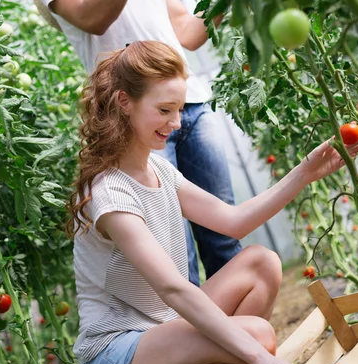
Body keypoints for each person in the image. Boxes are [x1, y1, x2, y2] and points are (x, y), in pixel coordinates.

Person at [66, 40, 358, 364]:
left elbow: (234, 222)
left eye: (178, 109)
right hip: (117, 357)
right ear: (124, 103)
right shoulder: (110, 194)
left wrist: (304, 172)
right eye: (164, 110)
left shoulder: (159, 169)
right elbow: (173, 289)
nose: (176, 123)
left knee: (261, 263)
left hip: (165, 332)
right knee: (255, 339)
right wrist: (260, 359)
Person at [42, 0, 241, 286]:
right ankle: (190, 330)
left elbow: (187, 31)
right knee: (174, 248)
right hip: (138, 119)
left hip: (191, 104)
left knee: (223, 237)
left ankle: (242, 327)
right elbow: (92, 17)